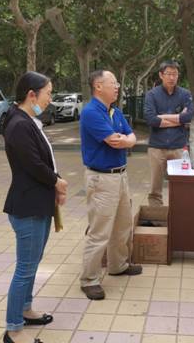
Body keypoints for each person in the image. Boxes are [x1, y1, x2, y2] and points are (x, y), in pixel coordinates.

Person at [2, 71, 68, 343]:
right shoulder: (19, 124)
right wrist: (57, 182)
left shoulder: (27, 121)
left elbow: (44, 160)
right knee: (25, 269)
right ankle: (13, 330)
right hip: (27, 206)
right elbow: (34, 165)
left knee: (32, 264)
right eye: (48, 93)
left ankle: (25, 310)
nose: (50, 99)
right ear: (32, 95)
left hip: (38, 203)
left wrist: (56, 184)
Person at [79, 69, 142, 300]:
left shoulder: (115, 111)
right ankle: (89, 279)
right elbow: (115, 141)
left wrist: (126, 140)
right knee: (99, 231)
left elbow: (132, 136)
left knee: (123, 225)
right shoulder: (91, 112)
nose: (117, 87)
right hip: (102, 178)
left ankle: (118, 265)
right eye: (113, 83)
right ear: (98, 86)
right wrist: (125, 140)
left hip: (120, 175)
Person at [143, 60, 193, 206]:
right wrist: (178, 119)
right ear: (161, 75)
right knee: (155, 188)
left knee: (180, 184)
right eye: (168, 74)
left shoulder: (185, 94)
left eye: (175, 74)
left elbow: (188, 117)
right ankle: (156, 215)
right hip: (157, 147)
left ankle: (178, 213)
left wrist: (163, 117)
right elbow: (151, 119)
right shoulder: (152, 95)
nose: (172, 77)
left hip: (178, 147)